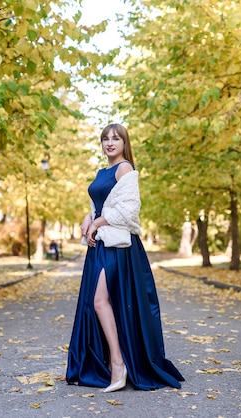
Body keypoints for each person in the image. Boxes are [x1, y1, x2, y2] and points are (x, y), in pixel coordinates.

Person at [66, 123, 184, 393]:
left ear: (124, 143)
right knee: (100, 302)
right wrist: (89, 218)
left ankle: (119, 365)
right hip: (100, 247)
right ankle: (116, 363)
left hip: (119, 248)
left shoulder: (125, 168)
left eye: (116, 138)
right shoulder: (102, 172)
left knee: (100, 302)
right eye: (105, 139)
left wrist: (98, 222)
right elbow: (99, 205)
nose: (110, 143)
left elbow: (129, 210)